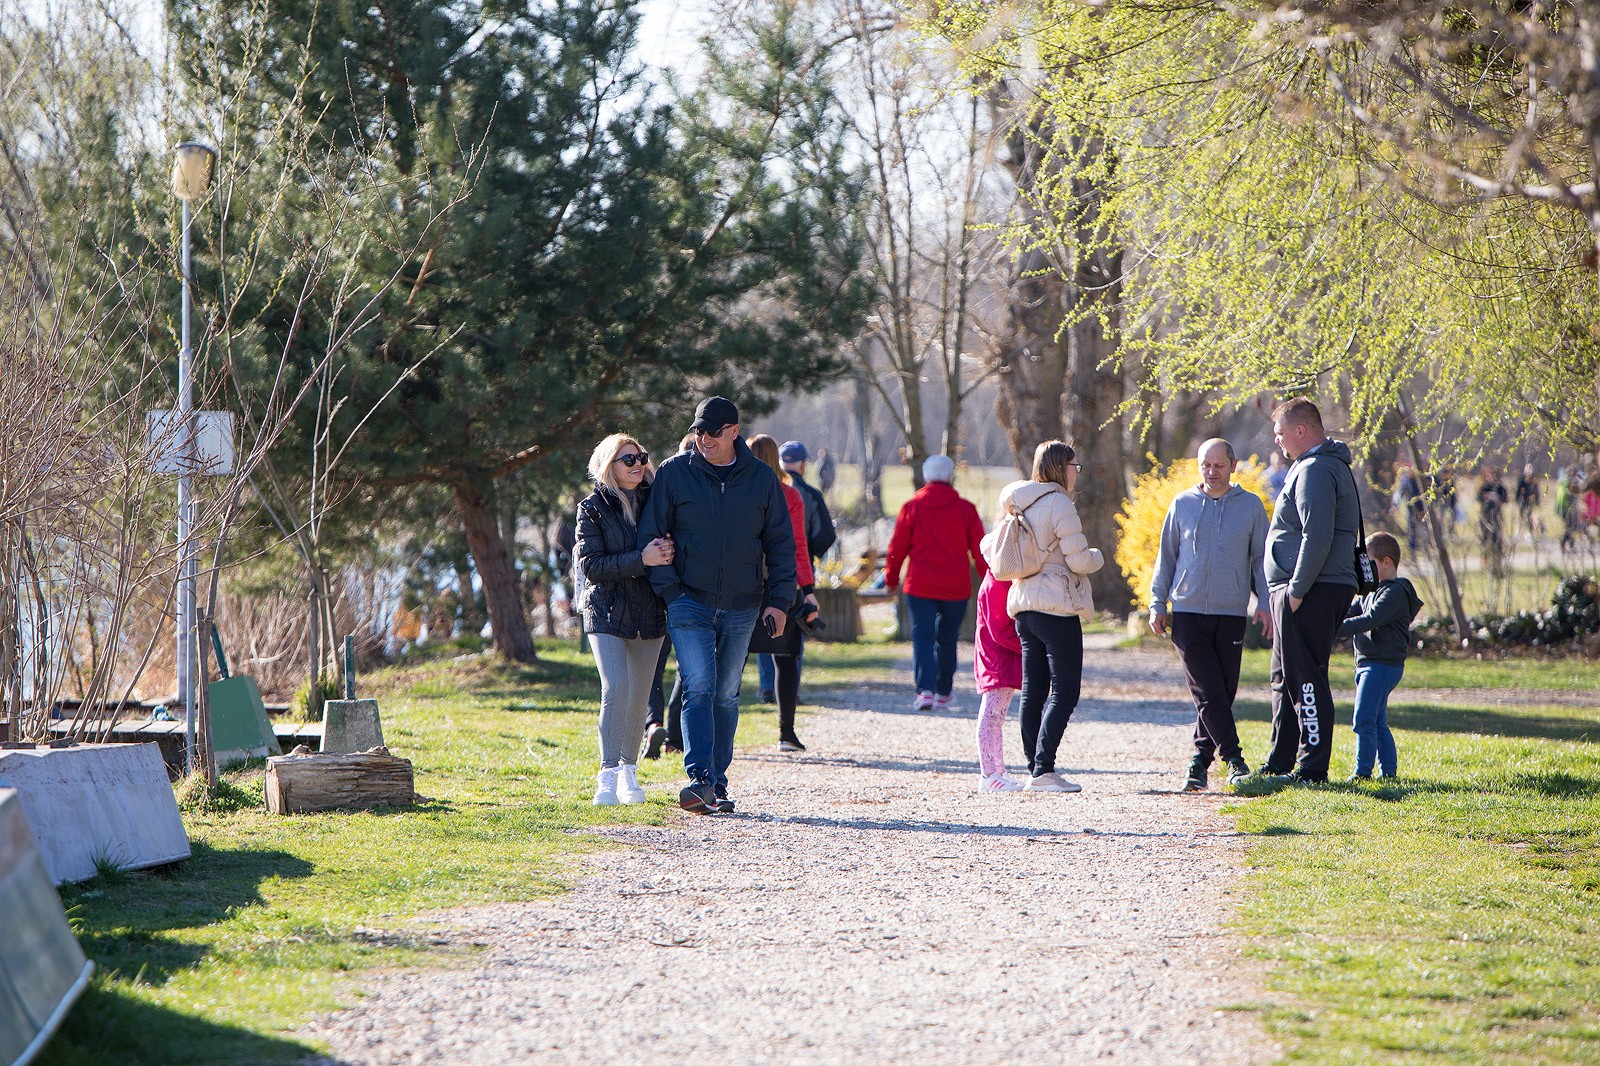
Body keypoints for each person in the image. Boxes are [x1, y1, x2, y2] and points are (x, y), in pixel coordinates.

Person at [638, 397, 796, 815]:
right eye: (699, 431)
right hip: (688, 601)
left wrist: (779, 601)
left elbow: (781, 545)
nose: (703, 438)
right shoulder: (675, 473)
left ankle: (718, 782)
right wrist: (670, 591)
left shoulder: (762, 479)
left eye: (712, 431)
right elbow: (651, 534)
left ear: (733, 431)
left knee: (726, 694)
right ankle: (699, 778)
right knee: (698, 687)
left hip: (743, 605)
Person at [1149, 438, 1271, 792]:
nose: (1212, 472)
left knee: (1222, 691)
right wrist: (1158, 603)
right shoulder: (1183, 504)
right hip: (1186, 612)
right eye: (1205, 465)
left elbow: (1260, 560)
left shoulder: (1249, 507)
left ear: (1233, 466)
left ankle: (1200, 762)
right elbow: (1166, 558)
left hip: (1231, 612)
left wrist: (1263, 601)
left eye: (1219, 465)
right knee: (1207, 690)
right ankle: (1235, 759)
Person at [985, 440, 1105, 793]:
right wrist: (1098, 556)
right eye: (1074, 466)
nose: (1076, 473)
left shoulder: (1014, 502)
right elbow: (1080, 560)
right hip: (1056, 605)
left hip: (1023, 605)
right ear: (1060, 468)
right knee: (1065, 690)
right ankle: (1044, 769)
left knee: (1033, 690)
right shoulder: (1059, 504)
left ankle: (1035, 767)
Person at [1259, 397, 1360, 784]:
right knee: (1285, 676)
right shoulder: (1313, 466)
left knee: (1305, 678)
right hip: (1304, 587)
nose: (1278, 441)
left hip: (1312, 589)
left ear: (1301, 431)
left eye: (1281, 433)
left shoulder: (1316, 469)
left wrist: (1296, 591)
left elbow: (1315, 536)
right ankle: (1280, 760)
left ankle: (1312, 768)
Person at [574, 434, 673, 805]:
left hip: (650, 612)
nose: (637, 465)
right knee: (615, 689)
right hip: (607, 611)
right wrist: (641, 559)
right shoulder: (592, 509)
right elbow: (591, 566)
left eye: (641, 457)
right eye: (627, 459)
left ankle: (629, 774)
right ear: (608, 465)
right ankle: (606, 775)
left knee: (638, 699)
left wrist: (669, 551)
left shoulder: (658, 502)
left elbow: (671, 545)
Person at [885, 455, 988, 710]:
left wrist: (891, 578)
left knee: (922, 636)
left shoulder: (912, 507)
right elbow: (980, 548)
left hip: (920, 584)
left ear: (925, 477)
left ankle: (925, 691)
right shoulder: (966, 509)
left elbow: (897, 547)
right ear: (950, 477)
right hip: (956, 585)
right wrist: (988, 579)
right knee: (948, 638)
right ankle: (944, 691)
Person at [747, 434, 820, 752]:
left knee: (731, 660)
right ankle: (786, 733)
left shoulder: (739, 492)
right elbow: (798, 547)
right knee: (787, 658)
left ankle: (714, 736)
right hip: (781, 584)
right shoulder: (790, 495)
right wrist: (808, 589)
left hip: (742, 584)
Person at [1336, 532, 1422, 780]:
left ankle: (1363, 773)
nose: (1364, 569)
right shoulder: (1371, 591)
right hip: (1367, 664)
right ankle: (1389, 773)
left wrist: (1333, 629)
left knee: (1363, 719)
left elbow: (1369, 620)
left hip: (1382, 665)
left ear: (1387, 562)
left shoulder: (1394, 592)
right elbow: (1348, 611)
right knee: (1377, 721)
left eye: (1369, 563)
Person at [757, 440, 837, 703]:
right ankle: (789, 691)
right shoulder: (807, 494)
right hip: (793, 571)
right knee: (791, 633)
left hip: (756, 572)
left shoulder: (753, 490)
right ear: (803, 463)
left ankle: (767, 686)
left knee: (760, 629)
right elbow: (824, 534)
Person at [642, 432, 700, 760]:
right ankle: (675, 736)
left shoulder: (661, 490)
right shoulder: (701, 497)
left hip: (657, 592)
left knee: (653, 665)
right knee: (687, 668)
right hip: (689, 594)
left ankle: (652, 724)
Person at [972, 569, 1025, 791]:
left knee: (997, 719)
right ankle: (989, 774)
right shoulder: (995, 585)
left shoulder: (1000, 582)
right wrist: (1028, 647)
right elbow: (1000, 630)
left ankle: (998, 772)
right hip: (997, 662)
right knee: (991, 717)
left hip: (1001, 662)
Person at [1477, 465, 1508, 577]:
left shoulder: (1500, 488)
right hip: (1485, 517)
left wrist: (1498, 500)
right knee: (1485, 541)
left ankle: (1497, 565)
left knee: (1497, 541)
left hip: (1496, 517)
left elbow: (1505, 499)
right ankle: (1484, 563)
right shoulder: (1484, 487)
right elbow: (1479, 498)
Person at [1393, 463, 1426, 551]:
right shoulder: (1405, 479)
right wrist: (1395, 505)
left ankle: (1425, 546)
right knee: (1412, 525)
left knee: (1422, 526)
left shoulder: (1421, 477)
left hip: (1422, 506)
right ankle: (1413, 546)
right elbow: (1400, 494)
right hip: (1412, 507)